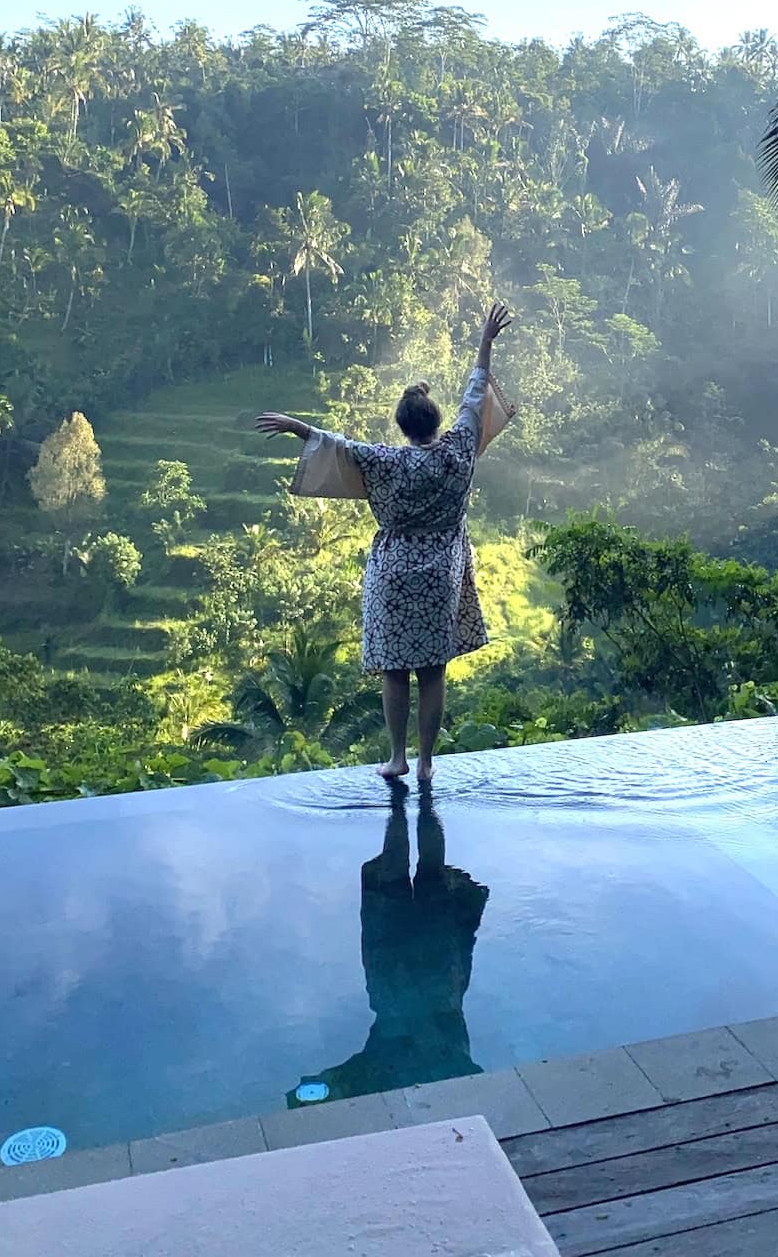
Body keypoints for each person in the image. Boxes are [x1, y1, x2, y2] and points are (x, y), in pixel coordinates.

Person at [258, 301, 513, 785]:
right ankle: (425, 763)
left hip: (393, 574)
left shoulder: (384, 462)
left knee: (396, 669)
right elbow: (475, 395)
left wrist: (297, 427)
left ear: (402, 428)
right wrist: (485, 342)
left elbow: (337, 445)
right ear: (438, 419)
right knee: (433, 671)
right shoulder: (460, 447)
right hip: (441, 574)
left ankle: (397, 756)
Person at [287, 792, 488, 1105]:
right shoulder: (446, 1073)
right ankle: (408, 814)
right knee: (424, 884)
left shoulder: (388, 1074)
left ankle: (403, 815)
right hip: (423, 995)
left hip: (404, 993)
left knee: (406, 885)